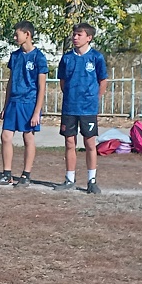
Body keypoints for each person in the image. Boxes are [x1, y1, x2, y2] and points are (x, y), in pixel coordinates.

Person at [55, 22, 108, 194]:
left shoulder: (96, 57)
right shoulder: (67, 58)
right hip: (70, 107)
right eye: (74, 34)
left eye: (79, 34)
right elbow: (63, 82)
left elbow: (103, 81)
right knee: (70, 142)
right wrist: (71, 96)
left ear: (89, 38)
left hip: (88, 109)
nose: (75, 37)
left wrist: (94, 98)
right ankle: (69, 179)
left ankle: (92, 180)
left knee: (90, 143)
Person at [0, 21, 48, 188]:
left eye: (17, 34)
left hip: (29, 102)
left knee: (28, 137)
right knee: (5, 136)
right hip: (14, 102)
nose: (14, 37)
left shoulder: (39, 57)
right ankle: (7, 174)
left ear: (27, 34)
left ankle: (26, 175)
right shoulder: (15, 56)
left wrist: (37, 111)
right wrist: (5, 105)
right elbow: (10, 81)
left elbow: (41, 86)